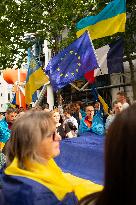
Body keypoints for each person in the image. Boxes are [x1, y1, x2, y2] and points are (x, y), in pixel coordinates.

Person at [0, 111, 102, 205]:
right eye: (51, 135)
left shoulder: (21, 167)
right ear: (33, 141)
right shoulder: (40, 197)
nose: (58, 138)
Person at [79, 103, 136, 205]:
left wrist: (91, 129)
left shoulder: (98, 119)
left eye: (92, 110)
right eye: (88, 111)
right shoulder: (83, 120)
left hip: (96, 140)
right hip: (86, 139)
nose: (90, 112)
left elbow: (100, 131)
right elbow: (81, 131)